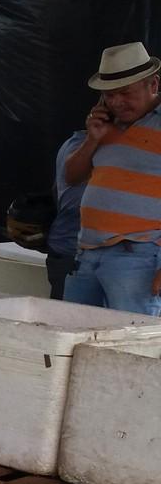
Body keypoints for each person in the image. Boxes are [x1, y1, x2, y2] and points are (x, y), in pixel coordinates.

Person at [64, 42, 161, 315]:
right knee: (72, 333)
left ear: (152, 85)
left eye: (125, 93)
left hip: (139, 256)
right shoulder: (105, 124)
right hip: (88, 253)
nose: (117, 102)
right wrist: (92, 139)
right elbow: (71, 177)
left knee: (129, 341)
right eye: (109, 95)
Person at [47, 129, 88, 299]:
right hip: (74, 250)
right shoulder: (85, 147)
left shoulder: (73, 143)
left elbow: (57, 192)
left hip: (65, 246)